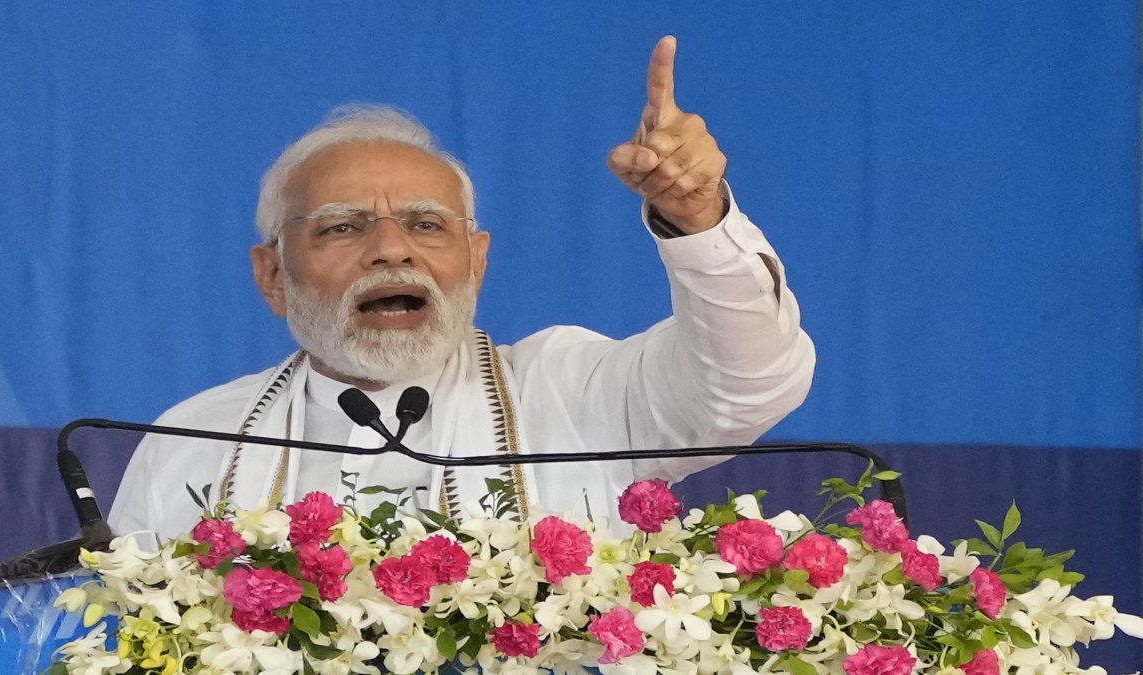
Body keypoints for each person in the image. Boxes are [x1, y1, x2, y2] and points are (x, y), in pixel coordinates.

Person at [108, 37, 815, 542]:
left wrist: (696, 218)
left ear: (476, 262)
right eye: (343, 227)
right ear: (272, 275)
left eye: (426, 224)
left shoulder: (569, 390)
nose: (392, 249)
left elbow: (745, 384)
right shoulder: (191, 442)